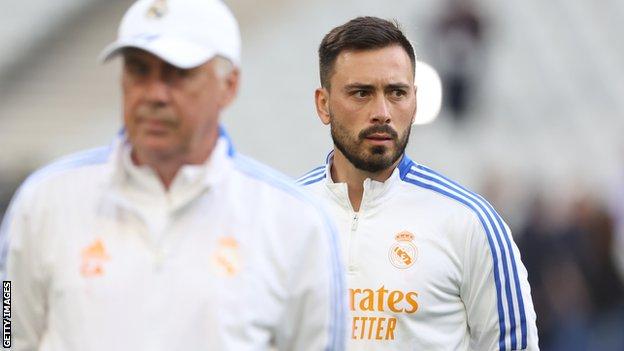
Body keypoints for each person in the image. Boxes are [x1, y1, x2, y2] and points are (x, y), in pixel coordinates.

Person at [0, 0, 345, 350]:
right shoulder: (43, 202)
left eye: (178, 74)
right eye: (139, 70)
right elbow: (10, 336)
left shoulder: (295, 222)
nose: (154, 94)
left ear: (229, 85)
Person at [297, 16, 538, 350]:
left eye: (396, 92)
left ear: (414, 100)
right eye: (361, 93)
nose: (382, 111)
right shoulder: (282, 216)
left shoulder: (470, 221)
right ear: (324, 104)